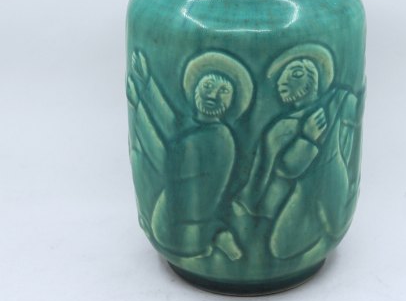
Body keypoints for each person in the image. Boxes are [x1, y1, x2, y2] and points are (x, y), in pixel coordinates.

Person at [234, 44, 361, 260]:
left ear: (310, 79)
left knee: (332, 226)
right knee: (281, 248)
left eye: (293, 75)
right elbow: (285, 168)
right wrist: (308, 137)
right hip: (301, 192)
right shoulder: (281, 127)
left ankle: (333, 215)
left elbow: (354, 114)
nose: (281, 83)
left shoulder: (337, 101)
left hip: (330, 182)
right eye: (281, 78)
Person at [127, 50, 253, 260]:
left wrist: (139, 108)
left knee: (139, 157)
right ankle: (219, 238)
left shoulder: (218, 138)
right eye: (208, 85)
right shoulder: (201, 129)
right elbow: (173, 123)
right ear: (195, 87)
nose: (212, 95)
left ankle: (218, 239)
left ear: (232, 101)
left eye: (223, 90)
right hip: (175, 230)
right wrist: (147, 84)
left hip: (179, 234)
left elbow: (163, 160)